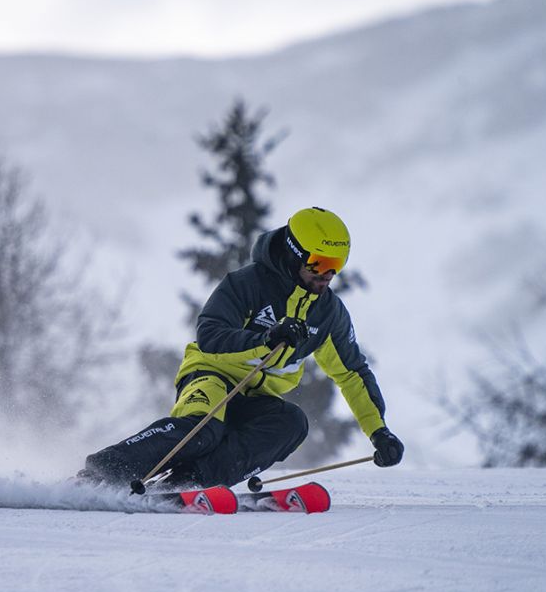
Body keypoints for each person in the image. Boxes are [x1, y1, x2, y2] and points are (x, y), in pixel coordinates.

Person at [79, 206, 404, 489]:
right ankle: (100, 474)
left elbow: (352, 374)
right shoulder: (248, 284)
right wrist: (265, 340)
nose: (327, 275)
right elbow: (210, 333)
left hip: (256, 398)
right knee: (204, 430)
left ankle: (189, 483)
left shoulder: (328, 314)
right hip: (211, 376)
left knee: (291, 423)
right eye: (319, 263)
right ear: (294, 254)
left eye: (337, 264)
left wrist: (379, 433)